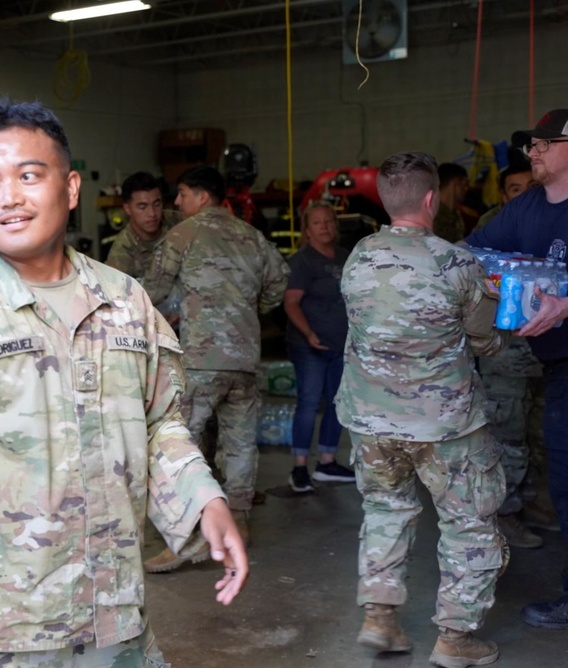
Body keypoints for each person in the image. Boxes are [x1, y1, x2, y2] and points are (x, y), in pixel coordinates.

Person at [0, 99, 249, 668]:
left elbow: (159, 425)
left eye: (28, 175)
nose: (10, 197)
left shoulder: (125, 301)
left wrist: (203, 500)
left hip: (115, 613)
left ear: (70, 188)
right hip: (0, 630)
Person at [337, 151, 506, 668]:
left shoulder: (360, 255)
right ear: (431, 198)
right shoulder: (456, 262)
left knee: (386, 510)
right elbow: (482, 339)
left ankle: (380, 620)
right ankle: (455, 638)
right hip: (445, 423)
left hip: (369, 419)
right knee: (468, 523)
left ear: (387, 200)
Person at [143, 165, 289, 560]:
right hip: (244, 357)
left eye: (183, 194)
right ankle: (238, 521)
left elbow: (151, 288)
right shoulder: (252, 236)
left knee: (181, 441)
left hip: (201, 360)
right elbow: (278, 283)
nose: (177, 202)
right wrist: (246, 309)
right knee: (241, 442)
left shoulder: (184, 234)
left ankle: (186, 536)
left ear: (202, 197)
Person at [464, 107, 568, 629]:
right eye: (532, 145)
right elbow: (471, 252)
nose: (534, 152)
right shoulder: (525, 207)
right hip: (557, 366)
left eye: (545, 144)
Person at [283, 202, 354, 493]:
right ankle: (299, 466)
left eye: (329, 222)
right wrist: (309, 333)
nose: (325, 227)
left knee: (338, 403)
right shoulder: (302, 261)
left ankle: (326, 461)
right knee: (309, 403)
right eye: (317, 223)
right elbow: (291, 303)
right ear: (307, 229)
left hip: (340, 344)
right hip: (310, 345)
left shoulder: (344, 257)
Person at [106, 171, 172, 280]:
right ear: (127, 209)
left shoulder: (176, 221)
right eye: (142, 207)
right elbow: (115, 293)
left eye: (157, 204)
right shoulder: (122, 251)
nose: (152, 213)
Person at [474, 162, 536, 231]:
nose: (526, 194)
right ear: (504, 197)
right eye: (516, 190)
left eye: (533, 186)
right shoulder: (490, 222)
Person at [433, 162, 470, 243]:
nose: (466, 188)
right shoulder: (433, 214)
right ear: (456, 183)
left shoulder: (455, 215)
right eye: (465, 184)